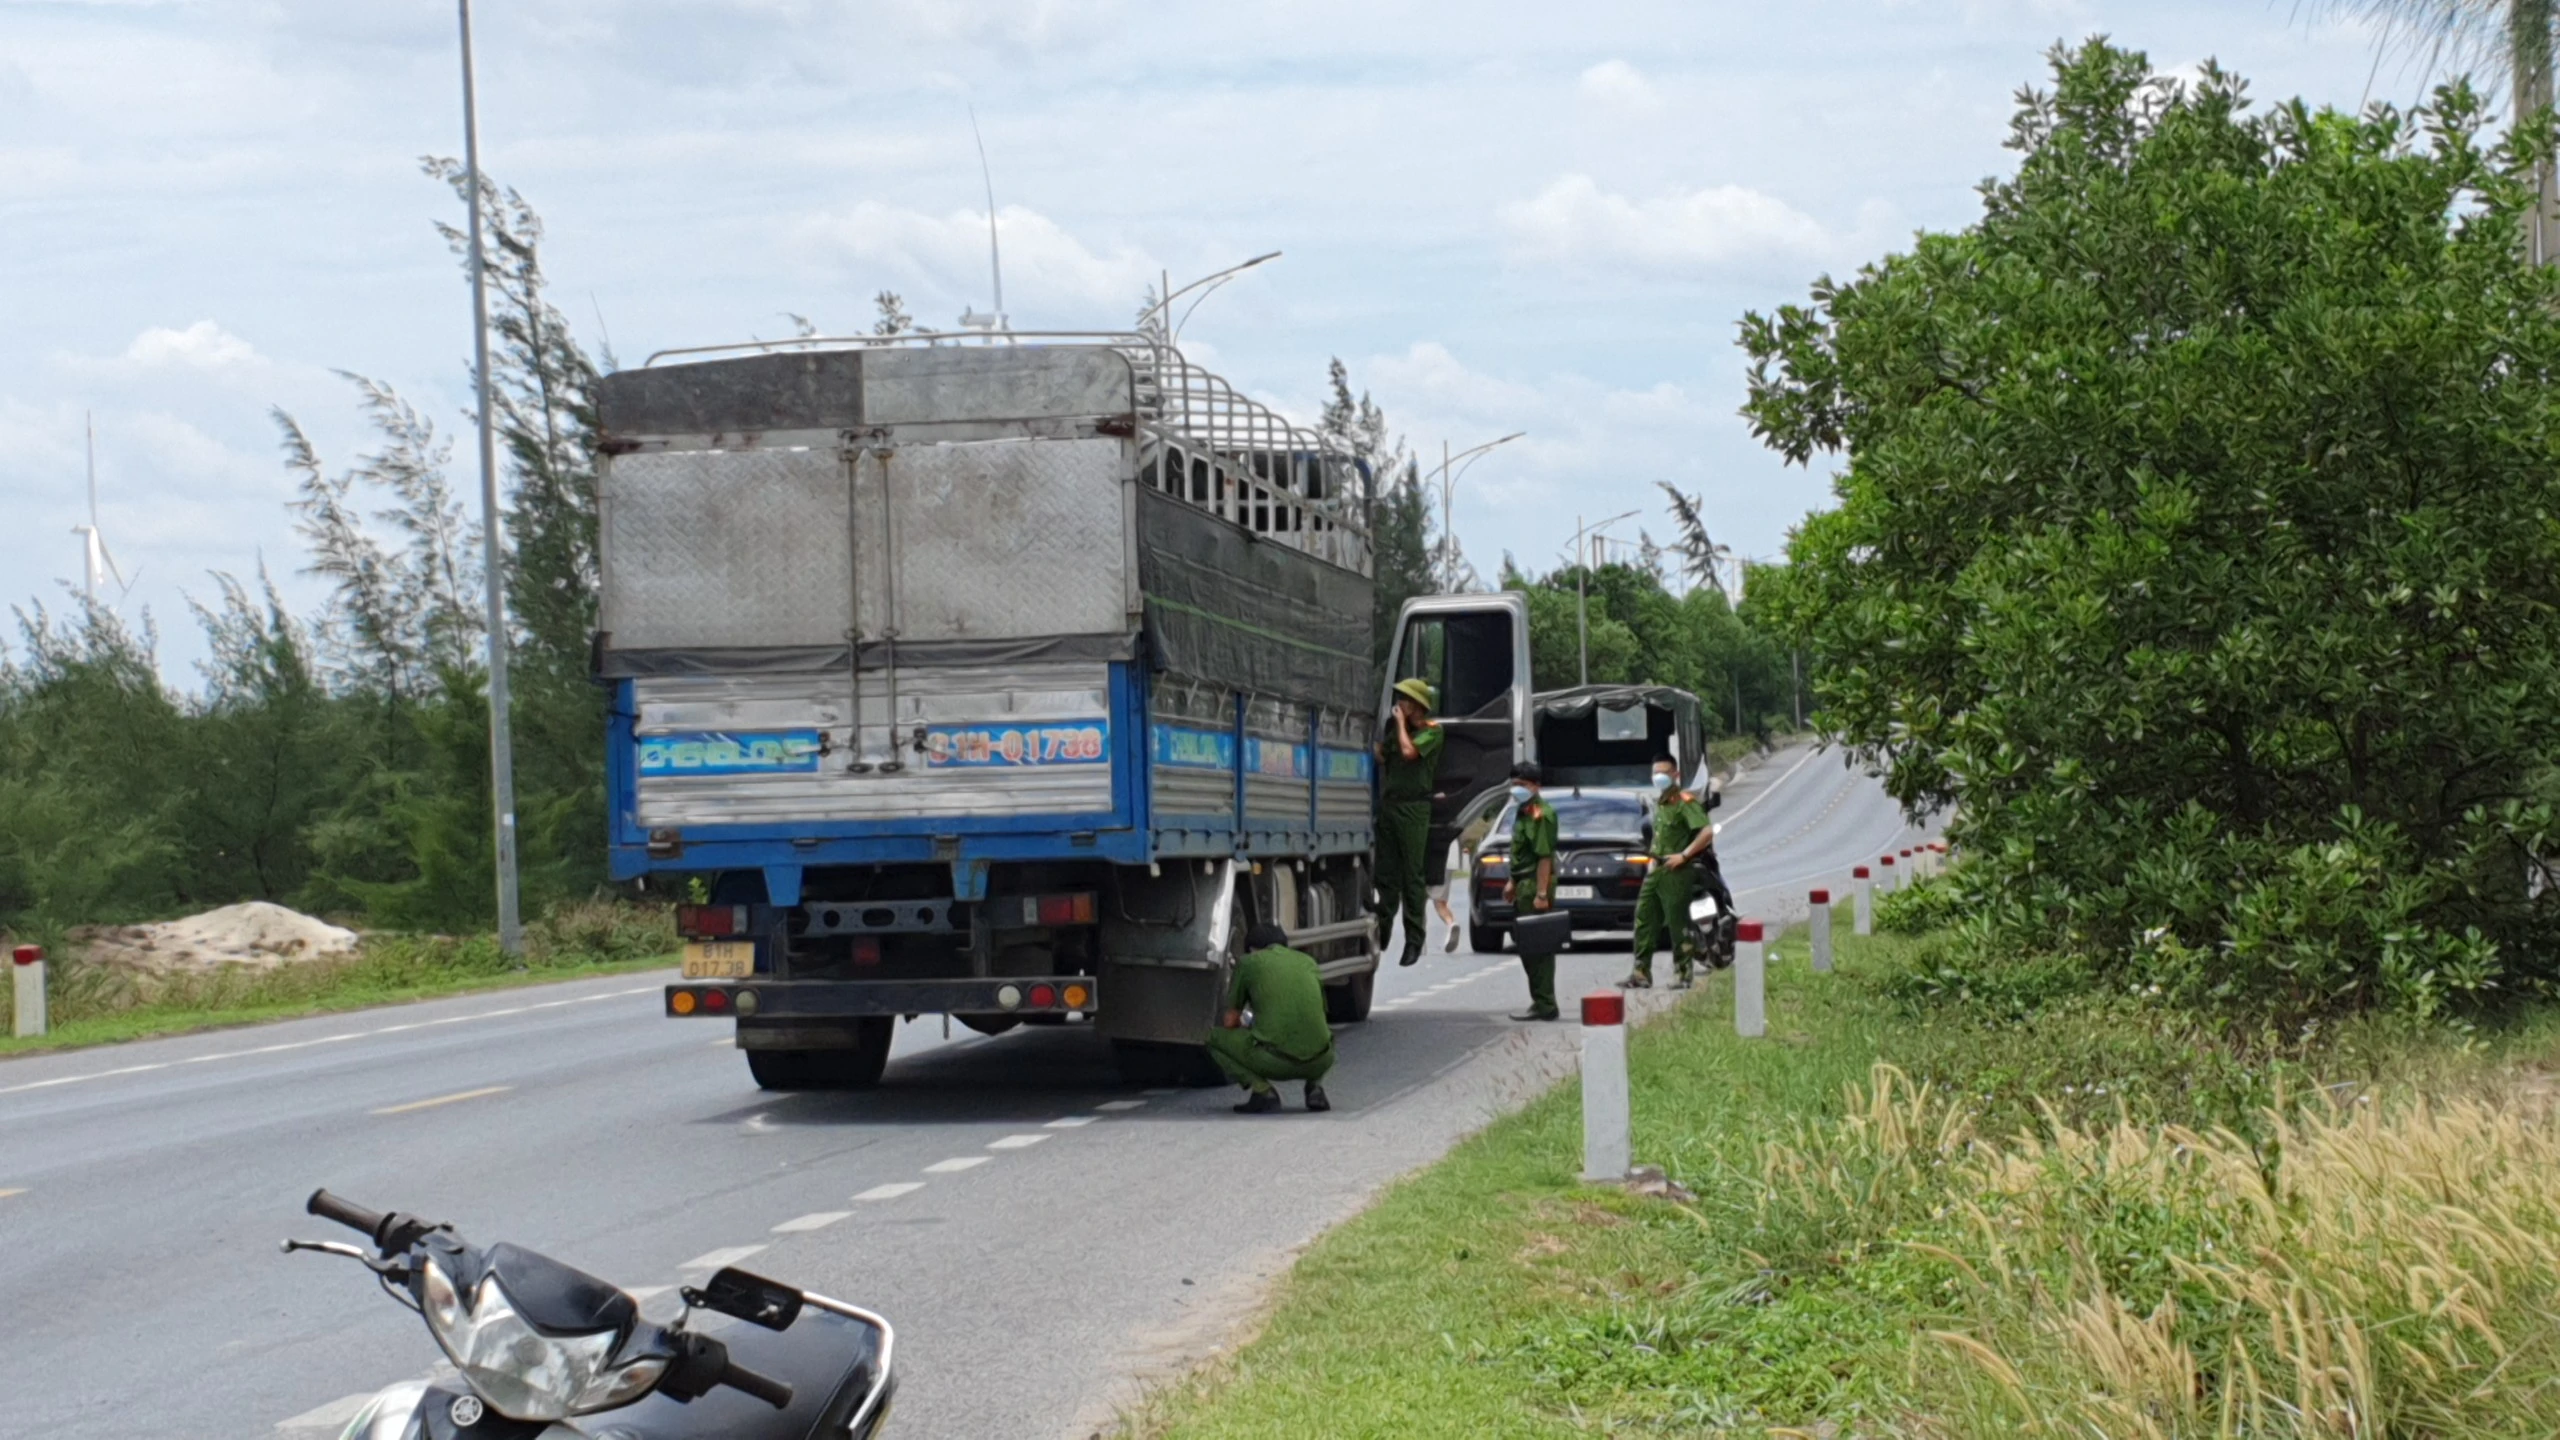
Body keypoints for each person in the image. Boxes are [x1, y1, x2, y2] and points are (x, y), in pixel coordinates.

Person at [1625, 756, 1734, 990]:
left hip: (1677, 870)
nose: (1658, 777)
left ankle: (1683, 974)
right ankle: (1641, 972)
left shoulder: (1685, 802)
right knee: (1644, 918)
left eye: (1663, 773)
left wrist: (1684, 855)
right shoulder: (1660, 803)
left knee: (1677, 923)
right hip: (1657, 869)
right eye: (1655, 773)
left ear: (1675, 775)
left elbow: (1706, 832)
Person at [1208, 921, 1335, 1114]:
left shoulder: (1249, 963)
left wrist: (1248, 1023)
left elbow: (1230, 1022)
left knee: (1213, 1039)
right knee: (1319, 1035)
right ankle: (1315, 1088)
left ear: (1252, 949)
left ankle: (1263, 1092)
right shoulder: (1308, 962)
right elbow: (1320, 1015)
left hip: (1274, 1062)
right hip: (1321, 1059)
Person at [1373, 677, 1444, 967]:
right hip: (1391, 806)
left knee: (1412, 875)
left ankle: (1415, 939)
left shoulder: (1433, 732)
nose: (1399, 704)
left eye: (1404, 699)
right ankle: (1383, 929)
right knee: (1386, 872)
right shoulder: (1397, 733)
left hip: (1415, 809)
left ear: (1416, 706)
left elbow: (1408, 752)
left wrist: (1400, 725)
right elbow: (1383, 755)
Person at [1502, 761, 1561, 1021]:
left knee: (1538, 948)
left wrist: (1541, 893)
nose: (1517, 789)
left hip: (1536, 885)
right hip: (1523, 883)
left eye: (1522, 785)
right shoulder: (1523, 812)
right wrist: (1513, 883)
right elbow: (1522, 853)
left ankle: (1546, 1004)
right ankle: (1540, 1000)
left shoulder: (1541, 814)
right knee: (1527, 946)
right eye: (1514, 784)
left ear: (1536, 786)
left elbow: (1544, 858)